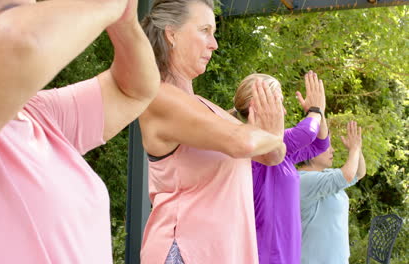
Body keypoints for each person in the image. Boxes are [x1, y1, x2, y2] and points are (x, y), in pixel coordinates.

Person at [0, 0, 159, 263]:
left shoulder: (38, 114)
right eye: (13, 13)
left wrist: (124, 22)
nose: (37, 20)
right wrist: (106, 4)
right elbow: (20, 44)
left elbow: (134, 89)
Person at [138, 0, 287, 263]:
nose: (214, 44)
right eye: (205, 30)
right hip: (183, 252)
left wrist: (270, 137)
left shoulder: (207, 108)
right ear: (172, 35)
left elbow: (272, 155)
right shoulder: (160, 98)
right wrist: (270, 134)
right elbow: (245, 143)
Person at [231, 71, 330, 264]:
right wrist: (316, 110)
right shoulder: (254, 146)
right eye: (279, 103)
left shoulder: (278, 149)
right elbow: (306, 133)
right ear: (258, 106)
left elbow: (320, 144)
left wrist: (319, 113)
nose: (284, 111)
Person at [299, 121, 366, 264]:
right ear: (310, 150)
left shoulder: (326, 175)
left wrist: (357, 149)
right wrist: (354, 150)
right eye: (327, 146)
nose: (332, 150)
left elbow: (359, 173)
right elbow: (347, 175)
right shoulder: (303, 180)